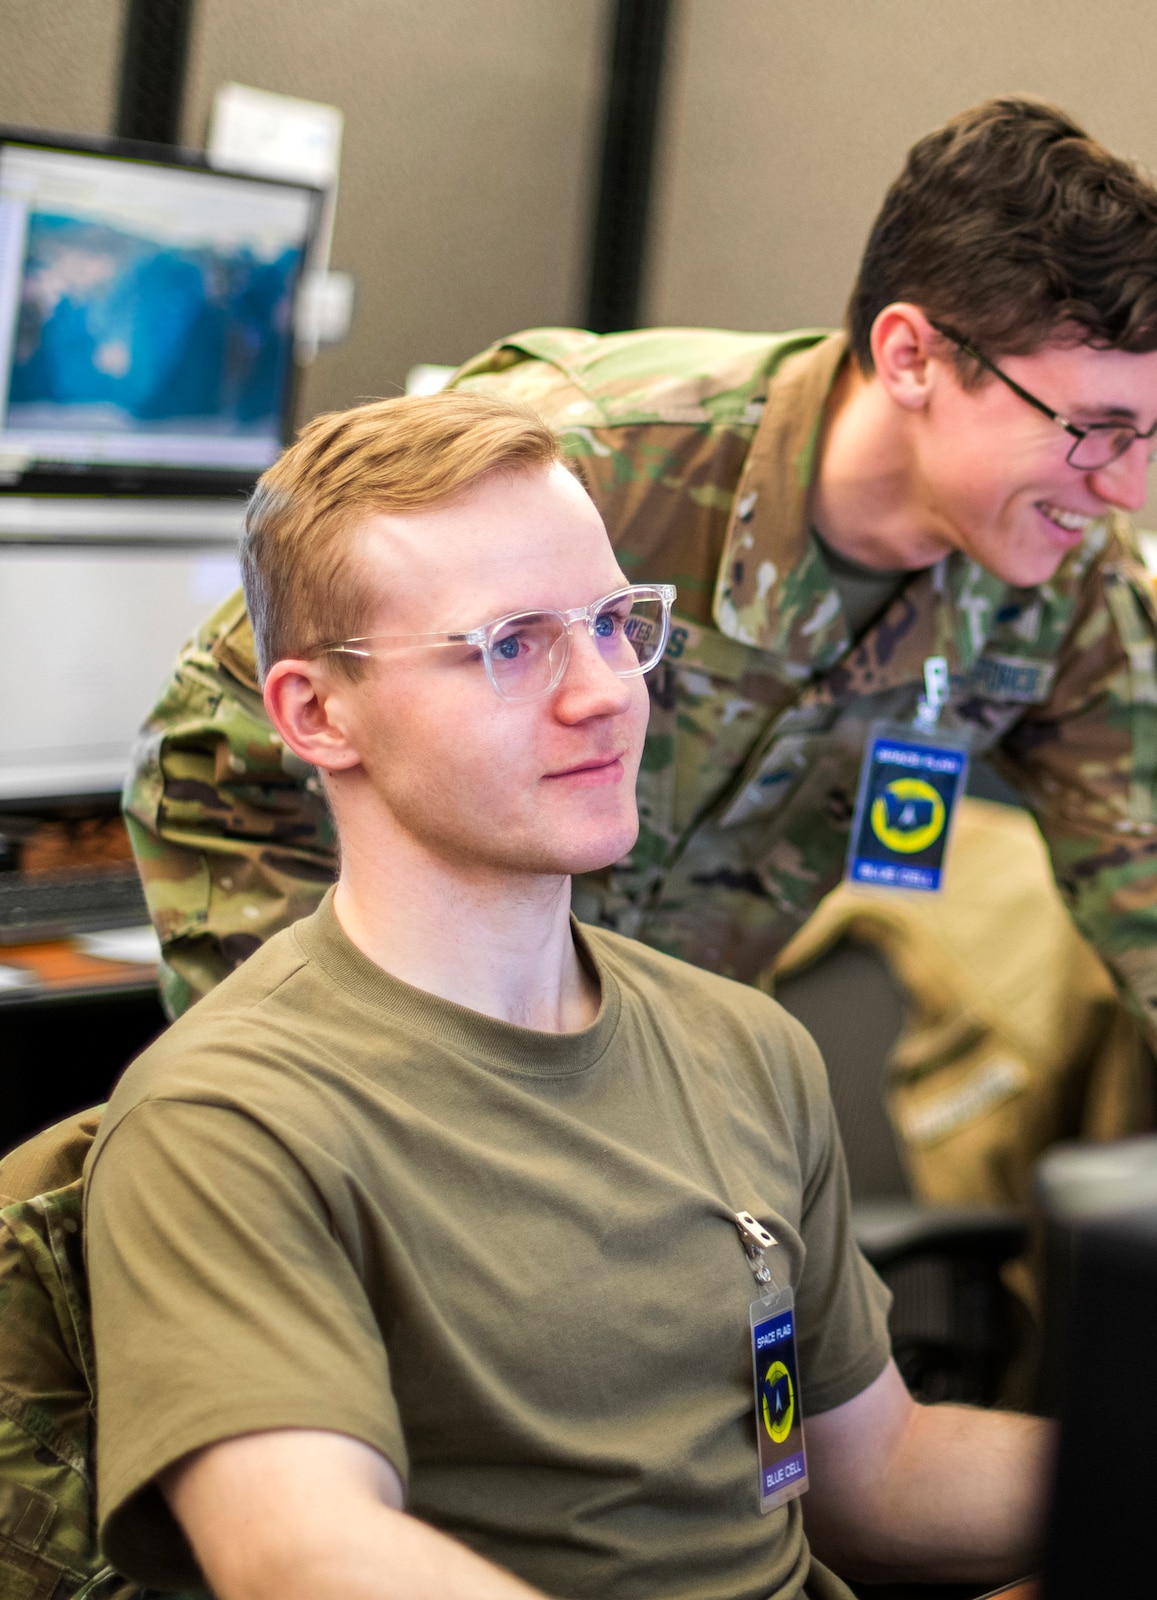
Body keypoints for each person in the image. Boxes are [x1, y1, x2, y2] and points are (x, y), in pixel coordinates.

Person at [126, 96, 1157, 1148]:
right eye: (1089, 430)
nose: (1129, 486)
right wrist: (317, 1093)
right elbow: (210, 762)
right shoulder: (589, 466)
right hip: (401, 1079)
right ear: (913, 355)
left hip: (648, 1095)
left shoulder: (1066, 580)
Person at [84, 393, 1050, 1599]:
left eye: (610, 623)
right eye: (510, 644)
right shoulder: (232, 1121)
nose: (603, 691)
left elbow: (877, 1478)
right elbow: (300, 1551)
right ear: (317, 714)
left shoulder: (745, 1044)